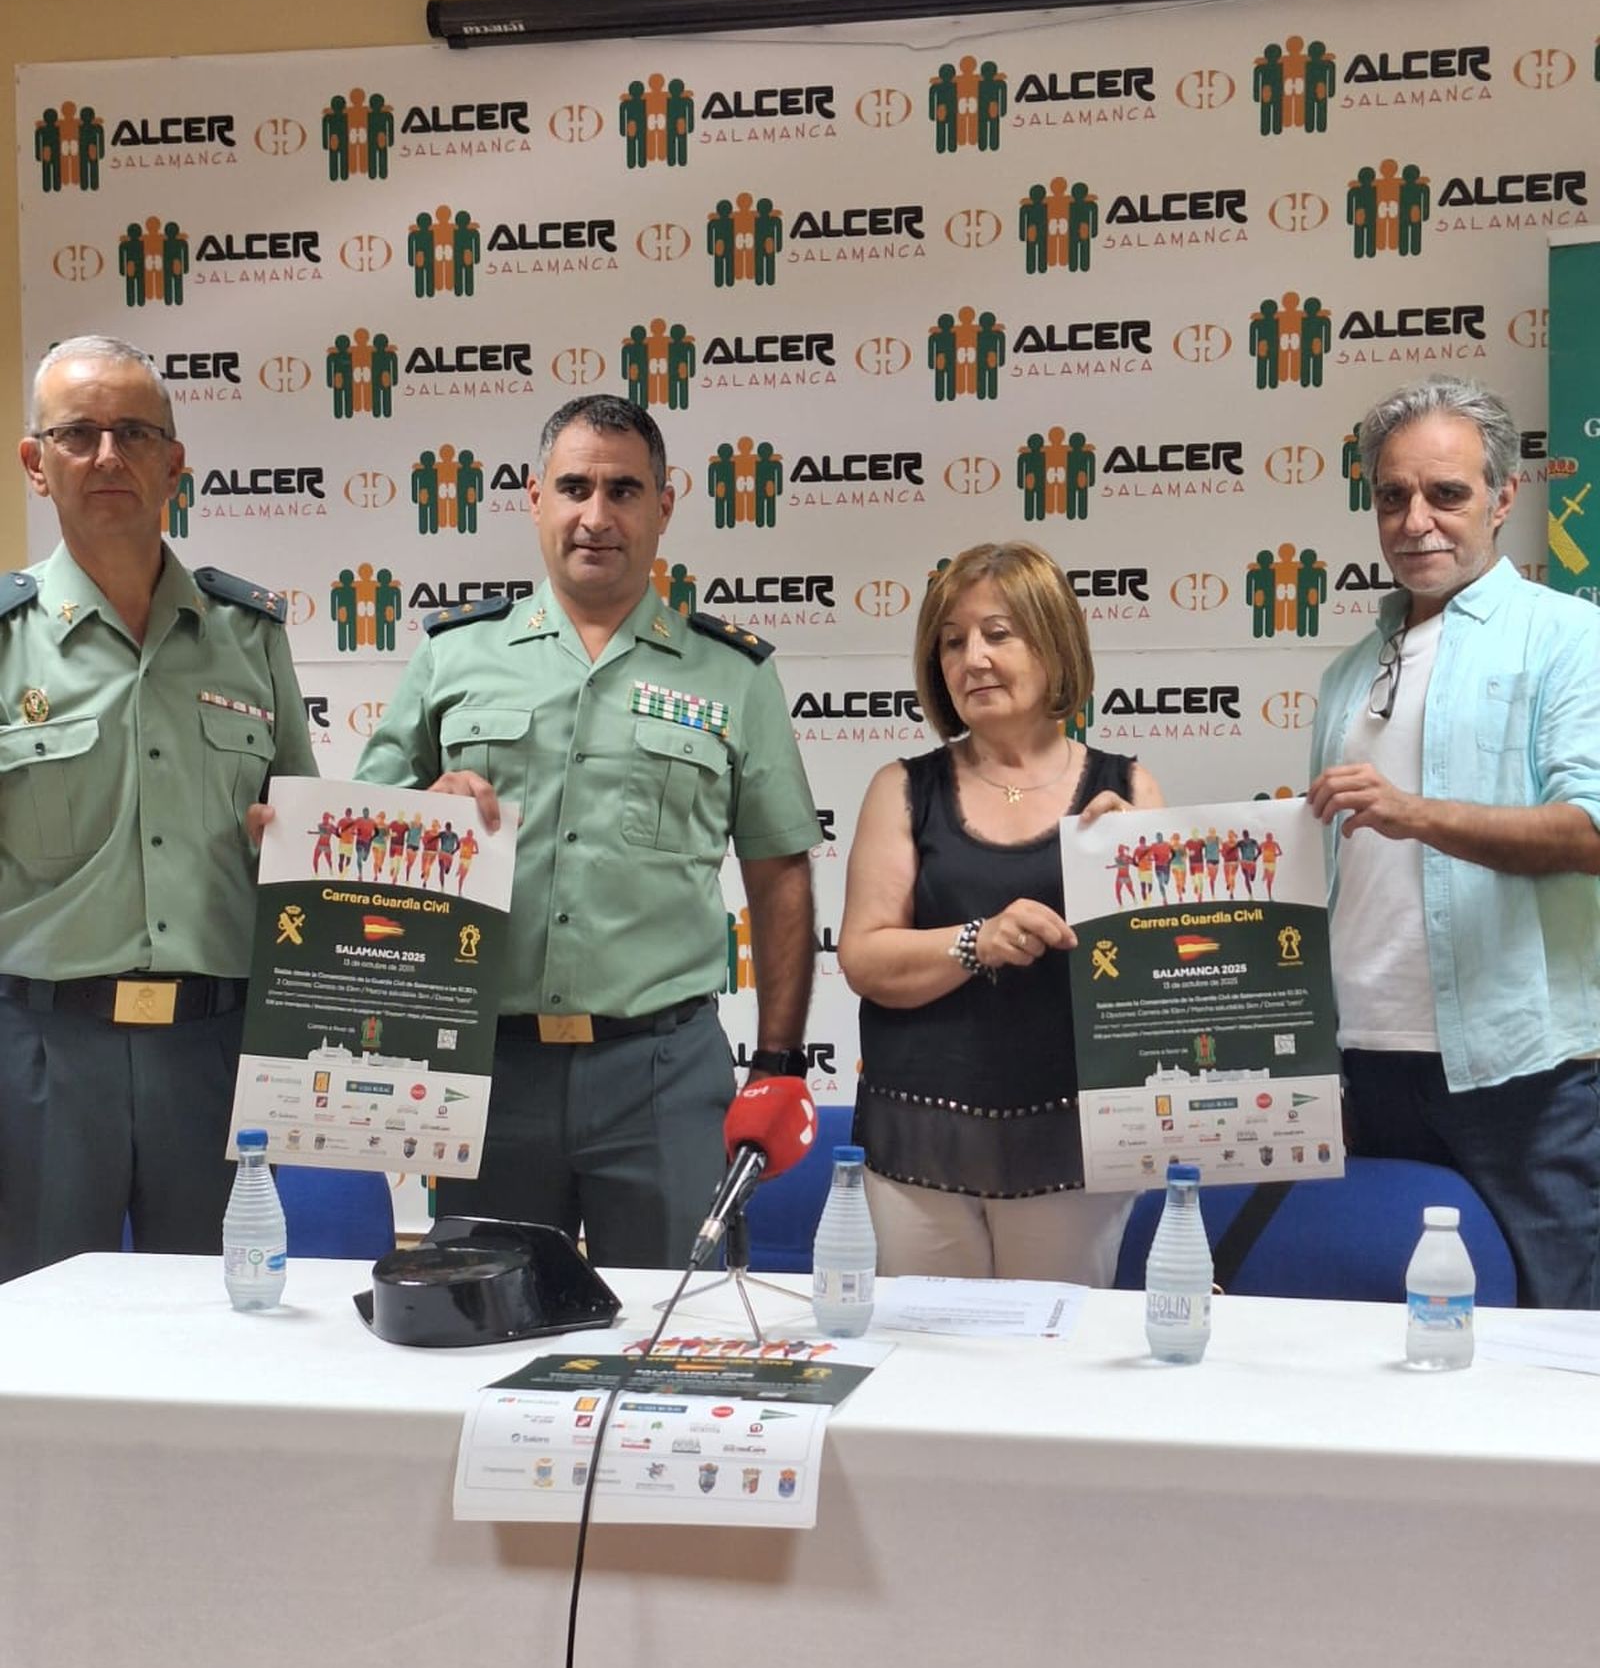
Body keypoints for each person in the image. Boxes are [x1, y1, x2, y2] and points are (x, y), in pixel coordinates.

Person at [355, 393, 820, 1267]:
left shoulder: (734, 675)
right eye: (573, 487)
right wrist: (424, 810)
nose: (596, 516)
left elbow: (778, 870)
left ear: (665, 504)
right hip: (492, 1071)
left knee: (672, 1353)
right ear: (534, 499)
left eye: (624, 490)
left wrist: (780, 1058)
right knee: (477, 1327)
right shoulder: (453, 655)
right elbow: (360, 838)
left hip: (660, 1072)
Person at [0, 334, 317, 1282]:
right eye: (79, 434)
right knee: (38, 1346)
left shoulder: (248, 636)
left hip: (214, 1056)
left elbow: (308, 841)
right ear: (35, 461)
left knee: (221, 1336)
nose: (108, 457)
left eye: (134, 434)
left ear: (175, 464)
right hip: (45, 1054)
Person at [1308, 375, 1600, 1308]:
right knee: (1390, 1351)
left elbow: (1590, 831)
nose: (1415, 521)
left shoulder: (1567, 636)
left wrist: (1418, 811)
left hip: (1525, 1070)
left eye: (1447, 493)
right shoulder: (1350, 671)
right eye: (1392, 496)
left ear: (1505, 498)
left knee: (1566, 1348)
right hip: (1365, 1062)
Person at [838, 541, 1163, 1282]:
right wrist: (976, 941)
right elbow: (865, 957)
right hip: (921, 1140)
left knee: (1052, 1373)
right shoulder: (902, 787)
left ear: (1054, 643)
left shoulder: (1129, 788)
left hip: (1073, 1139)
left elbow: (1161, 984)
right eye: (951, 641)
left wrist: (1134, 871)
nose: (971, 658)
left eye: (998, 633)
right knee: (928, 1369)